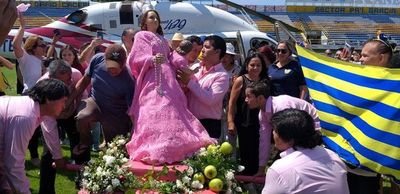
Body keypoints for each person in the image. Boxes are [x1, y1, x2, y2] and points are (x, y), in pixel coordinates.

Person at [126, 9, 215, 165]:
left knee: (172, 110)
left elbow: (172, 59)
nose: (154, 20)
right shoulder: (142, 36)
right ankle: (155, 145)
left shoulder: (162, 39)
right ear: (144, 22)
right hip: (153, 78)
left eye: (156, 17)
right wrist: (151, 59)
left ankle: (174, 145)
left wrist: (180, 54)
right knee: (153, 109)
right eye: (151, 17)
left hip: (169, 80)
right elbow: (135, 58)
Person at [68, 44, 135, 163]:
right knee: (82, 116)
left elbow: (132, 110)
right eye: (109, 66)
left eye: (116, 67)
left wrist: (135, 132)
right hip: (95, 102)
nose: (112, 70)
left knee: (115, 149)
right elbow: (83, 82)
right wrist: (69, 100)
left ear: (124, 63)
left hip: (116, 112)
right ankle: (86, 142)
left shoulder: (129, 79)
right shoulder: (97, 59)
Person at [0, 79, 69, 194]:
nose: (64, 106)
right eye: (63, 101)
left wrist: (6, 186)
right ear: (48, 99)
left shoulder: (33, 108)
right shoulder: (25, 116)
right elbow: (13, 163)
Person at [262, 109, 349, 194]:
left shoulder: (280, 169)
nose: (273, 133)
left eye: (275, 131)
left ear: (290, 138)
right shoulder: (332, 155)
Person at [244, 82, 320, 176]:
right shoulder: (262, 114)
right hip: (298, 130)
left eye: (248, 96)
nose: (246, 100)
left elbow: (290, 138)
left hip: (313, 126)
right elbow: (264, 141)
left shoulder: (281, 106)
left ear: (260, 98)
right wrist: (261, 169)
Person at [36, 60, 82, 194]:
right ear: (51, 78)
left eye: (68, 80)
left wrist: (77, 112)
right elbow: (48, 126)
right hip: (51, 116)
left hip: (72, 114)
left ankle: (86, 186)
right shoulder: (42, 86)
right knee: (48, 153)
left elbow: (82, 95)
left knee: (81, 148)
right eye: (61, 83)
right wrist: (58, 157)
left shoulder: (76, 74)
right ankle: (46, 191)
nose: (67, 84)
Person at [13, 11, 46, 167]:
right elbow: (15, 45)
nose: (45, 47)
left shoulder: (41, 61)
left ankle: (34, 155)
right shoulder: (25, 58)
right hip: (29, 97)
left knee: (36, 130)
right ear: (33, 48)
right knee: (29, 131)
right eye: (42, 45)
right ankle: (31, 157)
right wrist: (23, 26)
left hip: (41, 96)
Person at [227, 53, 268, 175]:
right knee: (246, 151)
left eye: (258, 65)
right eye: (252, 65)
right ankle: (247, 179)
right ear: (246, 66)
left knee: (259, 150)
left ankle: (257, 176)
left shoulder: (266, 80)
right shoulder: (240, 80)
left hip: (262, 122)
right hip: (245, 121)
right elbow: (232, 102)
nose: (255, 68)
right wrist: (230, 121)